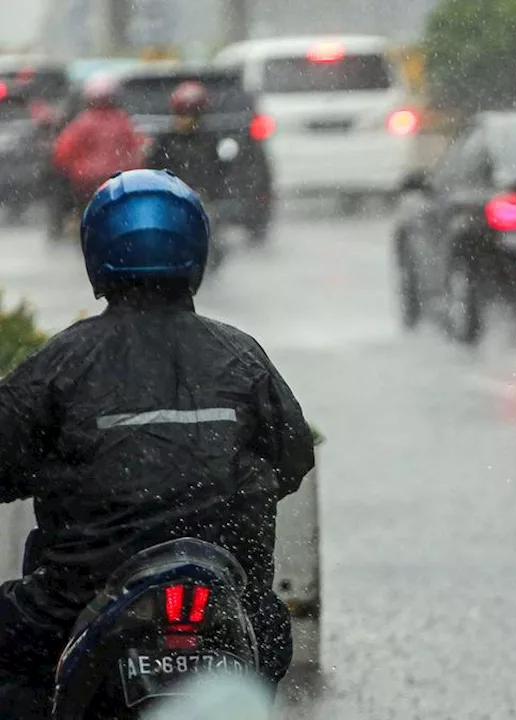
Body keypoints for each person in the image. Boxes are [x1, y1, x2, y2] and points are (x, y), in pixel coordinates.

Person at [0, 170, 314, 717]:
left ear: (97, 252)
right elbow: (292, 460)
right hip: (226, 598)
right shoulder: (241, 356)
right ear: (195, 250)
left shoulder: (61, 363)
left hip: (73, 601)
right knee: (270, 638)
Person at [51, 74, 148, 237]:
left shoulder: (82, 123)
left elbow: (62, 153)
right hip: (118, 182)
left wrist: (72, 170)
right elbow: (138, 152)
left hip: (86, 183)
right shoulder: (123, 122)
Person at [148, 81, 223, 199]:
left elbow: (219, 176)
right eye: (180, 113)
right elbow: (154, 171)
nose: (184, 120)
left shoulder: (211, 141)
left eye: (190, 114)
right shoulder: (165, 142)